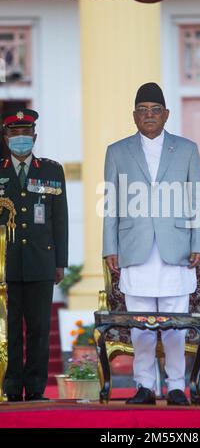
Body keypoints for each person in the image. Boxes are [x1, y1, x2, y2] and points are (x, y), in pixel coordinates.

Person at [103, 82, 200, 405]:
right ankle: (145, 386)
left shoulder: (187, 149)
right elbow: (110, 204)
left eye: (155, 110)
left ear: (166, 115)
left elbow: (197, 199)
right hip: (134, 249)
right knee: (141, 325)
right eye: (143, 111)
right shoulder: (117, 151)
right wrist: (110, 246)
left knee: (176, 324)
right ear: (134, 116)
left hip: (176, 247)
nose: (149, 116)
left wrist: (199, 242)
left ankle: (176, 386)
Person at [0, 108, 68, 402]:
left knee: (40, 329)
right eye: (14, 134)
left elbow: (60, 219)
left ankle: (36, 389)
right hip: (5, 265)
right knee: (10, 329)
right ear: (5, 137)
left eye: (26, 134)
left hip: (42, 262)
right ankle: (12, 387)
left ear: (35, 136)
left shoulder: (52, 170)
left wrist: (61, 262)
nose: (20, 139)